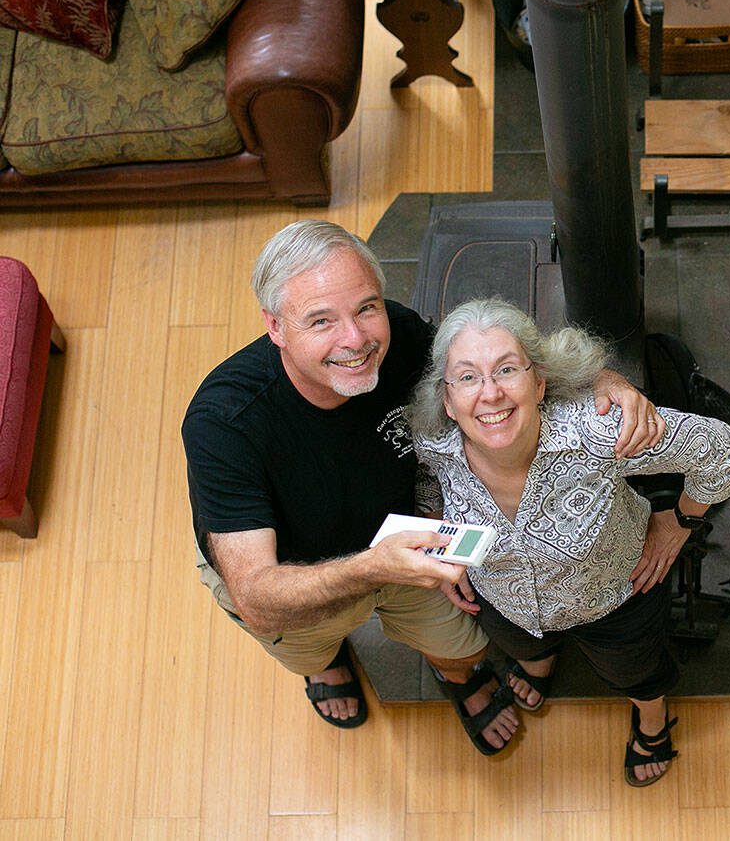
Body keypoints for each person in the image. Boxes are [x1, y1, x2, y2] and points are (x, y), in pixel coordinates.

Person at [181, 220, 664, 754]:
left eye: (366, 307)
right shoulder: (224, 421)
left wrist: (604, 381)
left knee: (462, 644)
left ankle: (459, 680)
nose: (357, 340)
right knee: (312, 649)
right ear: (275, 327)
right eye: (321, 320)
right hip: (295, 583)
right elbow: (257, 598)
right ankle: (330, 665)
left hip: (409, 544)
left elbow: (495, 363)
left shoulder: (401, 338)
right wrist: (371, 566)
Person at [406, 297, 730, 786]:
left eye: (506, 369)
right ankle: (539, 665)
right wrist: (442, 547)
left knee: (637, 673)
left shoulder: (597, 432)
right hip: (505, 599)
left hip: (618, 596)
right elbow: (428, 483)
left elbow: (717, 448)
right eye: (469, 377)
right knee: (523, 648)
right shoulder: (435, 444)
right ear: (449, 401)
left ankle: (651, 722)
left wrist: (678, 522)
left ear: (539, 382)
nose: (491, 393)